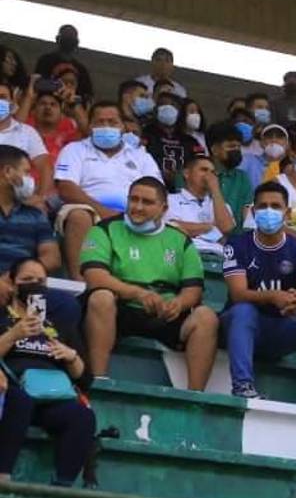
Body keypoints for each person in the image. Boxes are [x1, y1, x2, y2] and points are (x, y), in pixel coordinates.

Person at [80, 177, 218, 391]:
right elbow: (94, 276)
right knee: (100, 297)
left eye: (146, 202)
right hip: (120, 308)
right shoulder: (104, 229)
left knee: (206, 317)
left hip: (164, 312)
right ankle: (98, 381)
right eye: (133, 199)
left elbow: (193, 288)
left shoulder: (179, 240)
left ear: (163, 208)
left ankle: (195, 396)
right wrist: (137, 293)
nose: (137, 207)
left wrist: (179, 304)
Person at [221, 181, 296, 407]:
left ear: (288, 212)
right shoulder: (237, 245)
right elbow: (237, 294)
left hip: (282, 328)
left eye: (275, 206)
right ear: (253, 212)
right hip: (243, 328)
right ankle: (243, 386)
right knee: (243, 310)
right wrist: (274, 296)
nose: (268, 211)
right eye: (262, 206)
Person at [0, 257, 96, 485]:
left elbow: (85, 379)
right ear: (12, 284)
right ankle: (2, 475)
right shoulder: (3, 317)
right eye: (27, 279)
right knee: (20, 401)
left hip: (49, 397)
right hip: (12, 394)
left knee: (82, 416)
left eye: (40, 281)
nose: (34, 284)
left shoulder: (57, 324)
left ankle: (62, 486)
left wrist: (71, 356)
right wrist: (14, 334)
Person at [54, 101, 162, 279]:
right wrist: (104, 211)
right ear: (90, 126)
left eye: (112, 122)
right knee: (79, 216)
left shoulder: (141, 156)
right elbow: (66, 188)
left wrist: (129, 213)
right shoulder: (75, 150)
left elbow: (156, 191)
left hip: (134, 212)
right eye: (100, 122)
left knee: (171, 226)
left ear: (122, 126)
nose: (106, 127)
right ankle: (82, 283)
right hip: (88, 210)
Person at [0, 145, 59, 281]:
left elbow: (52, 258)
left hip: (24, 284)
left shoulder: (35, 215)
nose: (30, 179)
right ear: (8, 171)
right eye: (26, 172)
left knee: (65, 302)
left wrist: (13, 277)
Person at [167, 155, 235, 258]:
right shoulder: (170, 200)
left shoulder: (220, 204)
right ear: (186, 173)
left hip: (217, 259)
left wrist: (215, 189)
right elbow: (172, 228)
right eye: (204, 170)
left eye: (212, 172)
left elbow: (226, 229)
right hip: (184, 254)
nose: (209, 175)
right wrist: (209, 227)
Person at [0, 82, 51, 207]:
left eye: (2, 97)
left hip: (20, 198)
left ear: (12, 102)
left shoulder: (27, 132)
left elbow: (45, 167)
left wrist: (40, 197)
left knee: (39, 209)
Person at [204, 121, 253, 240]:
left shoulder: (242, 178)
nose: (236, 150)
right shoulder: (199, 174)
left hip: (237, 242)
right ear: (215, 149)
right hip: (204, 240)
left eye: (238, 146)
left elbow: (247, 216)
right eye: (231, 146)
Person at [144, 92, 203, 187]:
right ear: (156, 110)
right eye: (163, 104)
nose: (168, 108)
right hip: (151, 185)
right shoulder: (146, 134)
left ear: (180, 112)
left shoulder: (190, 141)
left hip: (182, 190)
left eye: (173, 105)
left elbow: (201, 163)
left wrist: (179, 176)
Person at [34, 25, 94, 101]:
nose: (68, 40)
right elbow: (37, 84)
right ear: (57, 39)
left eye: (71, 37)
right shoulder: (45, 60)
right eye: (66, 36)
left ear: (77, 42)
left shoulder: (81, 69)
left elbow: (87, 95)